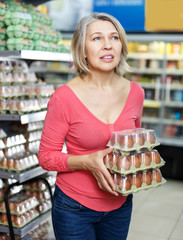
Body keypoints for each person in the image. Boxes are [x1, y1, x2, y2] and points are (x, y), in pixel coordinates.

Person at [38, 12, 144, 240]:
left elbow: (135, 144)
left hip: (121, 204)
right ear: (82, 49)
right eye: (97, 38)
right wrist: (87, 162)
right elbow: (46, 157)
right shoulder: (64, 97)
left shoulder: (136, 92)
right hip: (74, 208)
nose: (108, 45)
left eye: (114, 38)